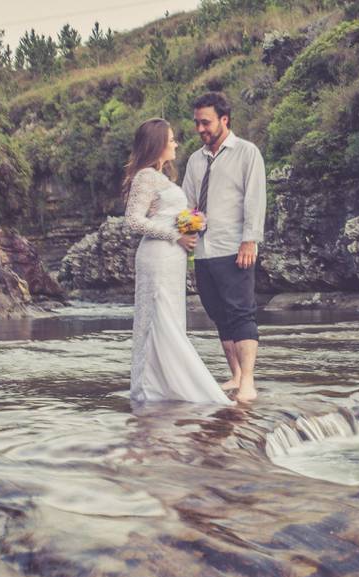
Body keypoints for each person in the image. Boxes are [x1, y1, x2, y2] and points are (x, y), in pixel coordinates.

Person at [123, 117, 232, 405]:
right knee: (159, 317)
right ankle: (155, 386)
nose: (175, 143)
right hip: (157, 256)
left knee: (170, 318)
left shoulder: (162, 179)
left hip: (173, 258)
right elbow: (133, 221)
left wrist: (191, 224)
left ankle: (167, 384)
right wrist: (176, 235)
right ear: (157, 144)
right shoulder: (145, 176)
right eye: (171, 139)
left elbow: (169, 215)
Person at [182, 92, 266, 402]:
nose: (200, 129)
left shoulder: (247, 153)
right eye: (197, 123)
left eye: (205, 122)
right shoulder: (194, 160)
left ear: (224, 120)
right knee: (219, 314)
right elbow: (189, 205)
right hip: (203, 252)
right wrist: (185, 233)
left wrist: (249, 240)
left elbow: (255, 199)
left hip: (235, 248)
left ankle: (248, 381)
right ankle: (234, 375)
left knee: (241, 313)